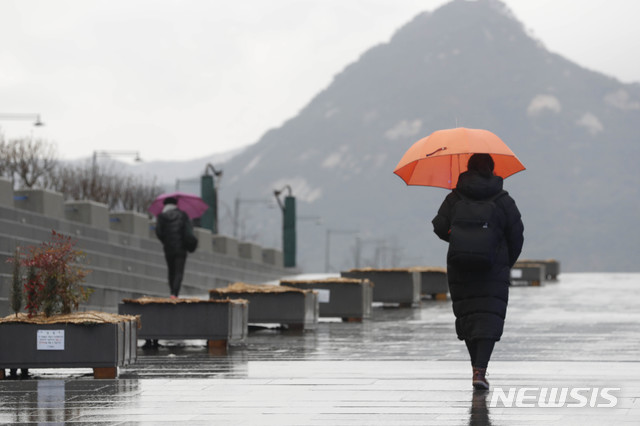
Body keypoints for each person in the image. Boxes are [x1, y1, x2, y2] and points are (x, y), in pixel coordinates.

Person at [432, 153, 524, 390]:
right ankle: (480, 371)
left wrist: (459, 238)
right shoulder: (503, 199)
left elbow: (439, 226)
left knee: (469, 316)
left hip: (460, 266)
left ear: (468, 168)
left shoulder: (454, 197)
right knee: (489, 318)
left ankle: (475, 367)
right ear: (492, 170)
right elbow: (516, 235)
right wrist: (505, 261)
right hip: (493, 268)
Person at [155, 196, 192, 298]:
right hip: (181, 248)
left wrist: (165, 241)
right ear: (175, 205)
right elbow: (188, 232)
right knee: (178, 271)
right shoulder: (182, 215)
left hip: (168, 248)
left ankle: (172, 291)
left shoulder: (162, 216)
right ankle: (175, 293)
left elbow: (158, 232)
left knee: (171, 270)